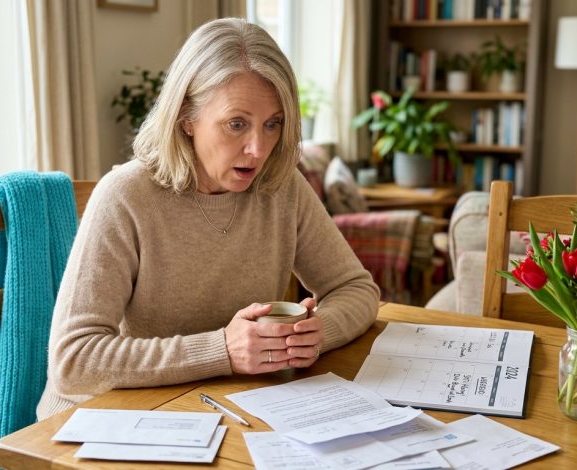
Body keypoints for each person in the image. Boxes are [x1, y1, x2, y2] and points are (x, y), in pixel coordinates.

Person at [36, 17, 379, 419]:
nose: (258, 148)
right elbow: (74, 361)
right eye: (237, 124)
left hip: (218, 407)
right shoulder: (125, 196)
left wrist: (319, 332)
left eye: (273, 124)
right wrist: (222, 350)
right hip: (106, 418)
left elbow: (356, 288)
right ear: (186, 117)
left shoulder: (282, 188)